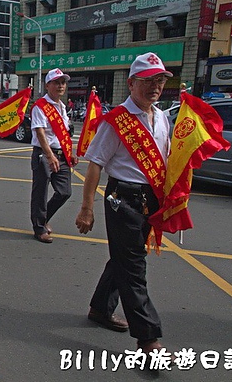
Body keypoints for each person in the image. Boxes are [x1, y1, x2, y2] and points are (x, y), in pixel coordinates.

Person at [75, 52, 173, 354]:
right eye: (147, 81)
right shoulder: (116, 121)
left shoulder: (163, 116)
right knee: (133, 268)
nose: (154, 87)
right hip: (123, 200)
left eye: (159, 80)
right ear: (131, 83)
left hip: (150, 199)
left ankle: (100, 308)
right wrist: (87, 208)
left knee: (123, 258)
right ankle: (148, 339)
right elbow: (94, 165)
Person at [30, 68, 78, 243]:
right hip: (44, 154)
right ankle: (39, 228)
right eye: (56, 82)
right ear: (47, 85)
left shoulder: (62, 107)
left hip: (61, 154)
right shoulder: (40, 106)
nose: (60, 86)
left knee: (65, 192)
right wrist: (50, 156)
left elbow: (64, 133)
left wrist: (70, 152)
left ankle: (43, 219)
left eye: (63, 82)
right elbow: (40, 132)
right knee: (40, 193)